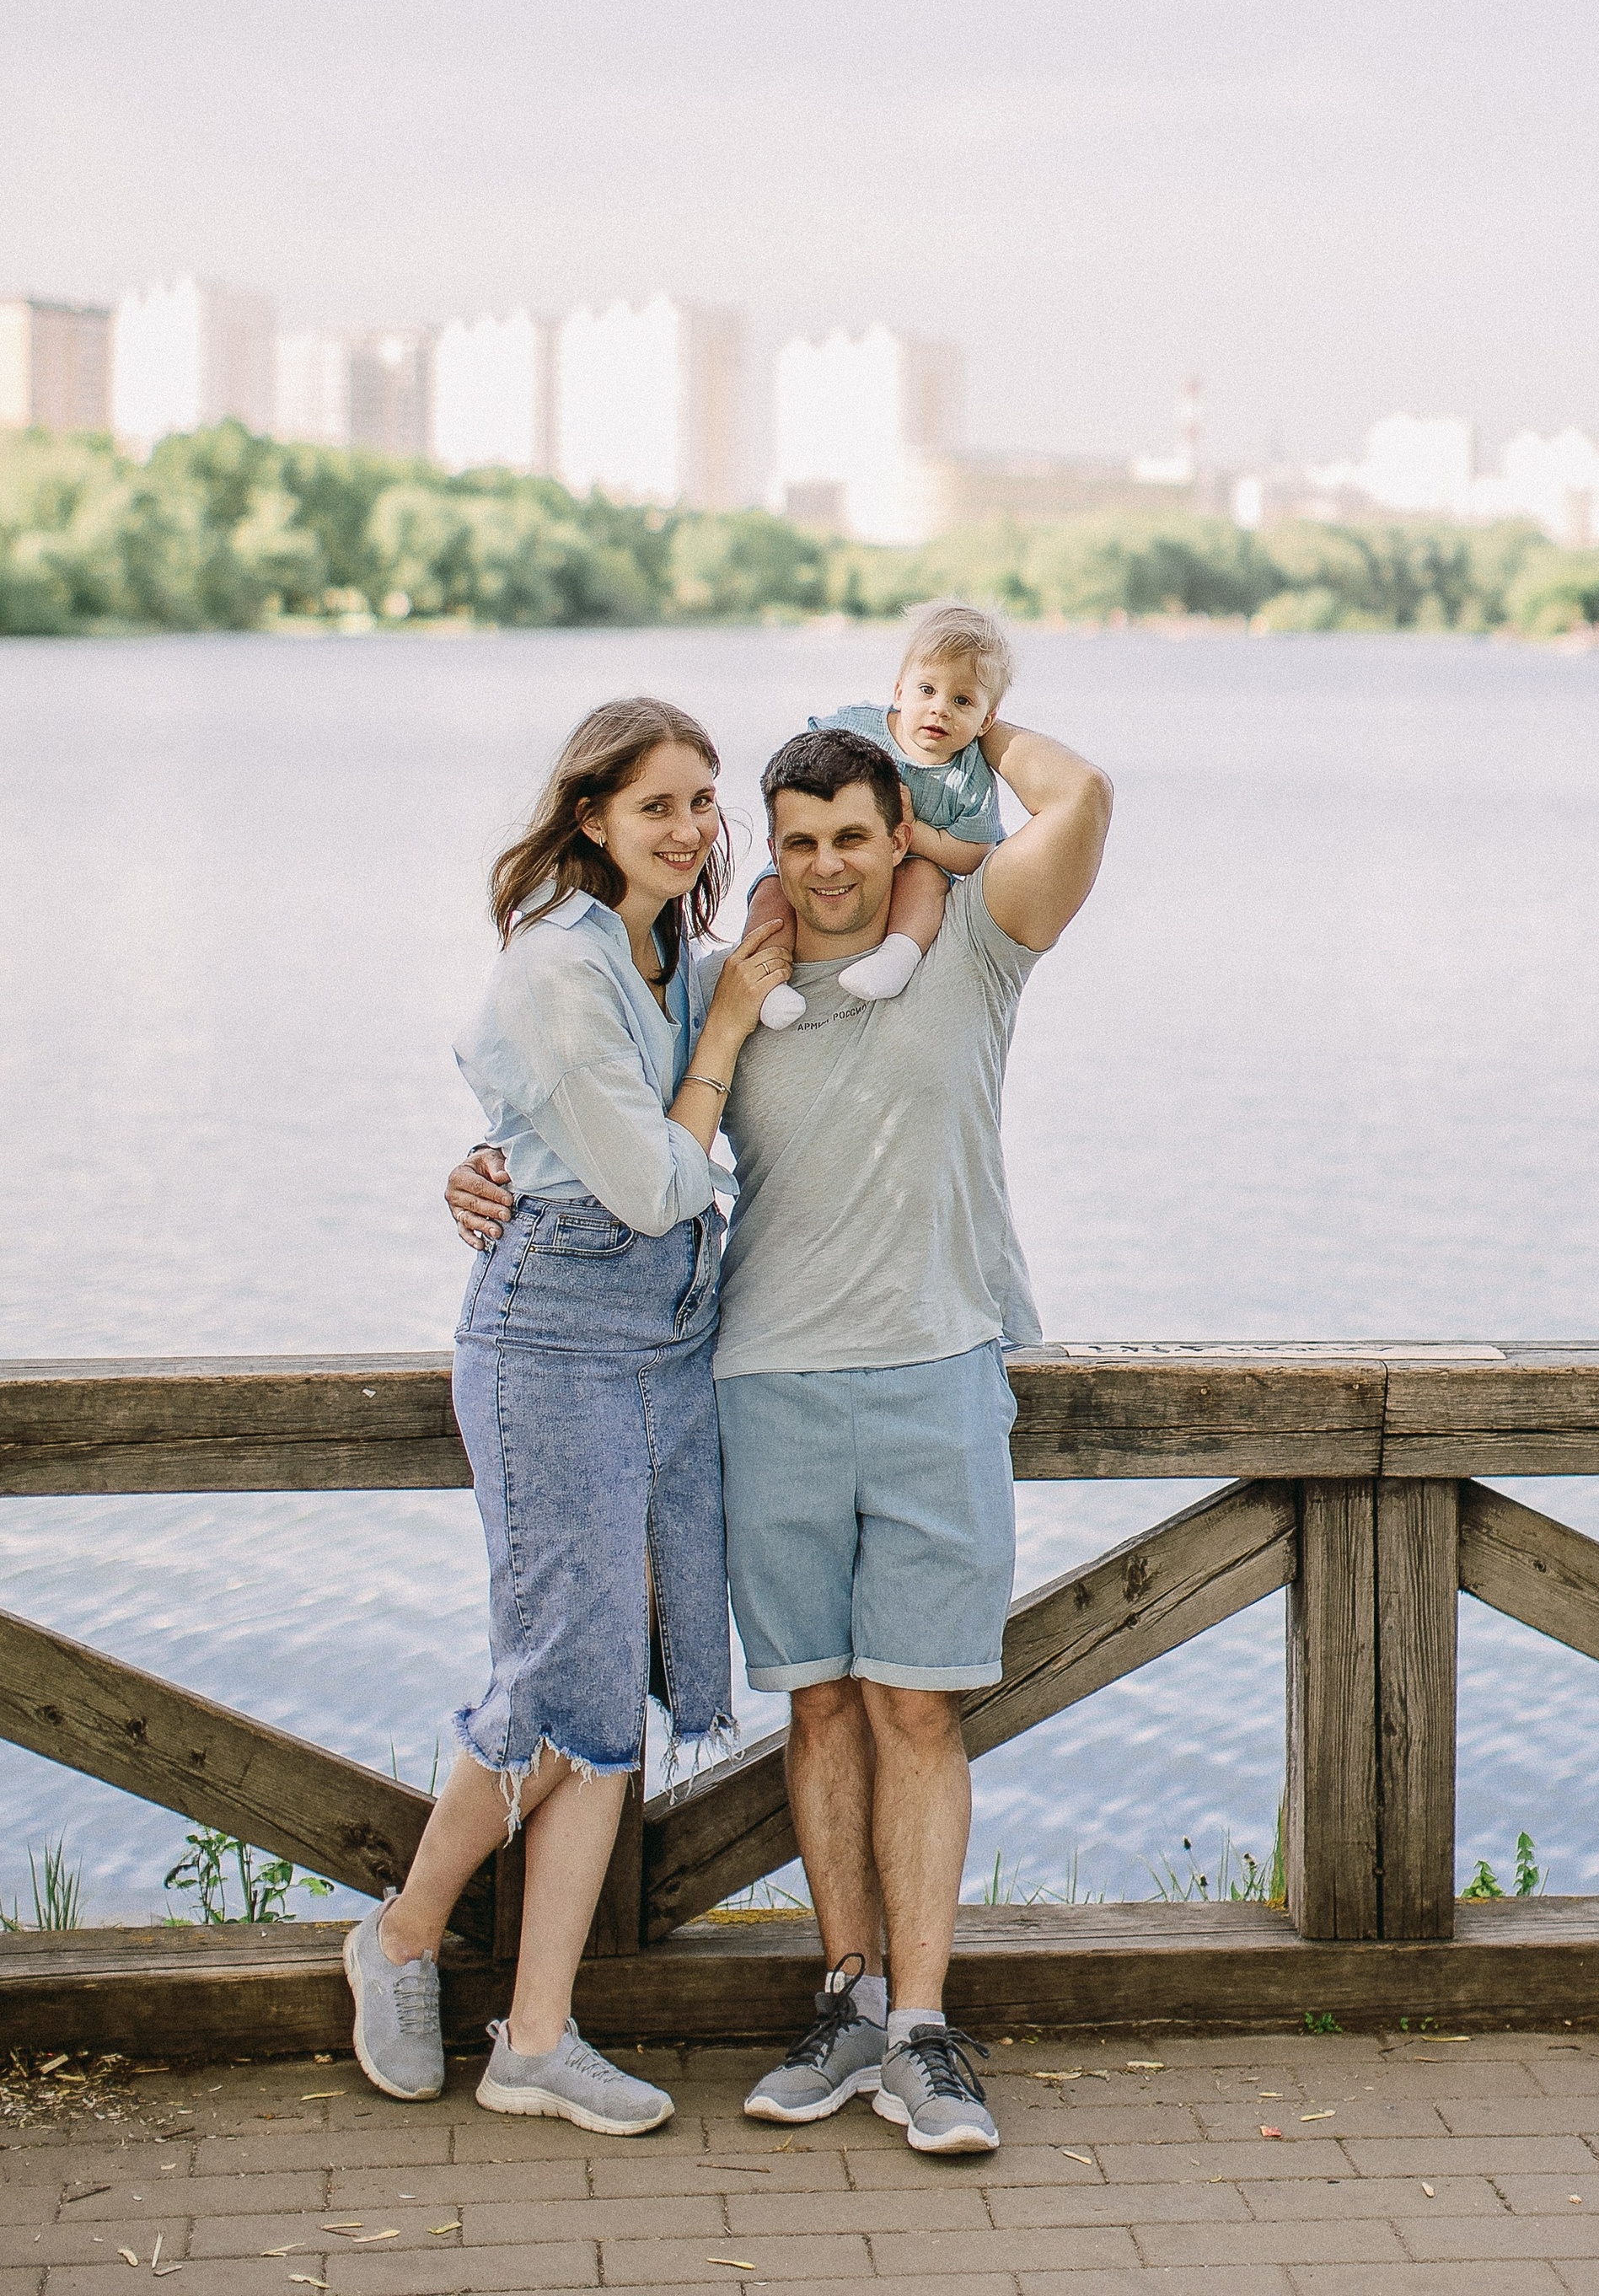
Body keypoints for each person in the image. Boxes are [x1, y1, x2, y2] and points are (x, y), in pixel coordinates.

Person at [448, 700, 1112, 2160]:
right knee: (820, 1704)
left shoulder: (976, 945)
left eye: (855, 839)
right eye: (799, 840)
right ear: (769, 849)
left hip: (940, 1373)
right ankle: (848, 2002)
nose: (826, 869)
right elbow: (589, 1104)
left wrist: (952, 718)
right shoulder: (722, 984)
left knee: (918, 1707)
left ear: (899, 839)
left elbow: (1087, 799)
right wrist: (484, 1166)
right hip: (762, 1385)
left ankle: (926, 2036)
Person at [352, 698, 793, 2134]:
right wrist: (727, 1031)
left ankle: (536, 2039)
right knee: (562, 1683)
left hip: (667, 1345)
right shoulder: (560, 965)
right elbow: (655, 1185)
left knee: (606, 1697)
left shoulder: (666, 953)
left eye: (704, 801)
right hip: (553, 1340)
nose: (690, 828)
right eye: (659, 803)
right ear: (590, 814)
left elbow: (879, 867)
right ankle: (408, 1937)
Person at [744, 600, 1016, 1027]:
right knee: (772, 890)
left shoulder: (970, 775)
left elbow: (975, 854)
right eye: (927, 690)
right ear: (899, 691)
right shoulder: (861, 726)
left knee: (926, 879)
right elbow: (803, 766)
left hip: (913, 864)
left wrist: (912, 831)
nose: (940, 709)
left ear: (987, 719)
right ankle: (766, 980)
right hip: (833, 843)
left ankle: (897, 957)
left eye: (963, 701)